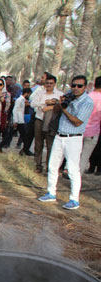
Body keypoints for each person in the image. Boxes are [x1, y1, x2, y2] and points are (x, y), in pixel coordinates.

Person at [38, 75, 95, 210]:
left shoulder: (87, 102)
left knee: (73, 169)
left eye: (79, 86)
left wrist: (65, 109)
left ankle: (74, 199)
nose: (75, 88)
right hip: (59, 135)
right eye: (73, 85)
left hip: (73, 138)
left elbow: (77, 122)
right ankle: (51, 192)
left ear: (85, 87)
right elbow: (57, 110)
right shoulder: (69, 96)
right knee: (52, 165)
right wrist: (60, 103)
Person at [30, 74, 63, 173]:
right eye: (47, 83)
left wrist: (51, 107)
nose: (49, 85)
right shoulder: (40, 93)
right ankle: (38, 165)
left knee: (50, 145)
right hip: (39, 119)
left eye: (51, 83)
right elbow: (32, 103)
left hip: (51, 122)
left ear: (54, 84)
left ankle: (49, 168)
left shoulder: (59, 94)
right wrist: (45, 102)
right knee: (38, 144)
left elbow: (62, 106)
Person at [82, 76, 101, 173]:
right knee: (85, 156)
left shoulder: (87, 96)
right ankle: (76, 178)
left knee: (77, 154)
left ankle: (69, 171)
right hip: (93, 131)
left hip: (80, 129)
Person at [13, 88, 33, 155]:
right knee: (24, 137)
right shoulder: (19, 100)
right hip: (18, 121)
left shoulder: (23, 100)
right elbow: (15, 110)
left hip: (20, 120)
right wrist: (15, 121)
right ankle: (25, 150)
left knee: (24, 137)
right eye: (29, 94)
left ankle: (25, 150)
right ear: (27, 93)